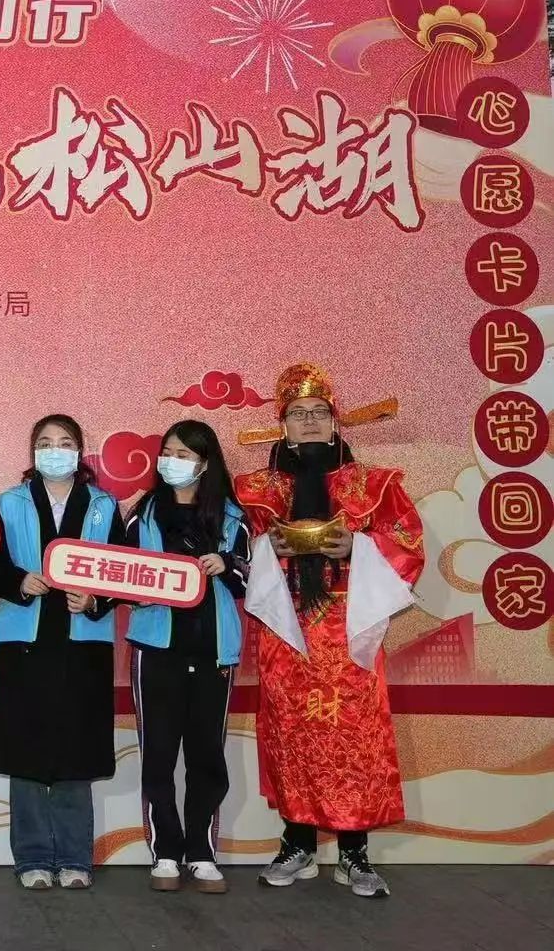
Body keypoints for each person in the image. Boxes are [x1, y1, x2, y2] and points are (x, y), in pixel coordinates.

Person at [235, 363, 423, 899]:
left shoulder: (373, 485)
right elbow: (232, 553)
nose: (311, 421)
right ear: (283, 424)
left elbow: (408, 543)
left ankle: (353, 853)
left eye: (320, 412)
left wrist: (357, 548)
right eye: (298, 414)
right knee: (291, 734)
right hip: (287, 631)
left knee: (353, 738)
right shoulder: (255, 490)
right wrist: (266, 549)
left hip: (350, 632)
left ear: (336, 421)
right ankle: (296, 844)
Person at [0, 414, 124, 891]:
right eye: (45, 442)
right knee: (25, 751)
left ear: (79, 451)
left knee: (76, 749)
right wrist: (19, 582)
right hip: (25, 640)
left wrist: (97, 601)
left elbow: (123, 570)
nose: (55, 450)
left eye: (64, 442)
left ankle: (76, 857)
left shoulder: (104, 504)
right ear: (32, 452)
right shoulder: (9, 502)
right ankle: (33, 858)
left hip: (83, 643)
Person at [121, 420, 250, 894]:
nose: (172, 461)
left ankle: (201, 851)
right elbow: (120, 574)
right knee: (157, 754)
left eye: (183, 454)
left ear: (205, 462)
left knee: (206, 754)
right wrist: (136, 591)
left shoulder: (232, 515)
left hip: (213, 650)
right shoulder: (142, 513)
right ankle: (165, 851)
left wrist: (226, 565)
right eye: (167, 452)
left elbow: (251, 577)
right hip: (157, 650)